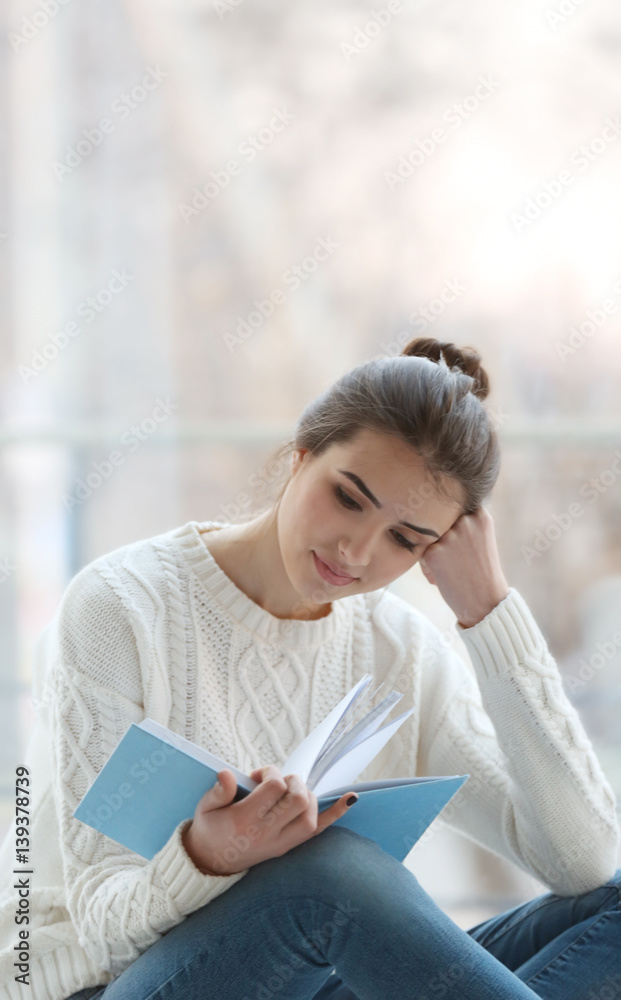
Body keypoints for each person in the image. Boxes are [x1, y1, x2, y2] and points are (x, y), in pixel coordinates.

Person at [0, 338, 619, 1000]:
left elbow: (582, 862)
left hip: (296, 982)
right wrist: (209, 857)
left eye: (405, 540)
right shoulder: (120, 606)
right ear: (301, 455)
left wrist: (490, 614)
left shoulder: (401, 651)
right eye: (348, 498)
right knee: (330, 873)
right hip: (99, 987)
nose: (356, 550)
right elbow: (100, 929)